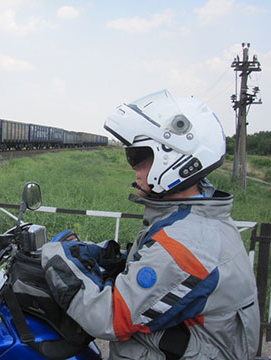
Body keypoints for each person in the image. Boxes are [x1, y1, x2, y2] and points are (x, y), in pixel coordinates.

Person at [41, 90, 259, 359]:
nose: (133, 167)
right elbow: (168, 276)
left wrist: (53, 256)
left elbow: (110, 316)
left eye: (137, 155)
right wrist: (114, 259)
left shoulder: (187, 245)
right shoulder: (198, 221)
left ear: (175, 159)